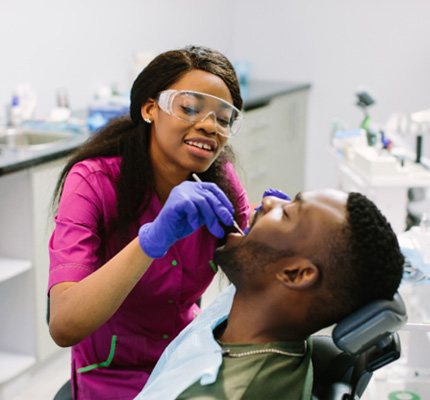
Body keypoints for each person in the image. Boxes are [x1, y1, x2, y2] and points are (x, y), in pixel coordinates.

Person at [47, 45, 250, 399]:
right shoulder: (93, 183)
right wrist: (149, 242)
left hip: (187, 361)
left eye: (222, 118)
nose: (208, 126)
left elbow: (254, 282)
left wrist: (267, 236)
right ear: (150, 108)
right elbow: (64, 325)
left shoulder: (221, 182)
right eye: (189, 108)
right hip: (111, 376)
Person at [135, 189, 405, 400]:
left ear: (296, 275)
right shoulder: (266, 319)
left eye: (287, 213)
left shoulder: (222, 393)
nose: (268, 201)